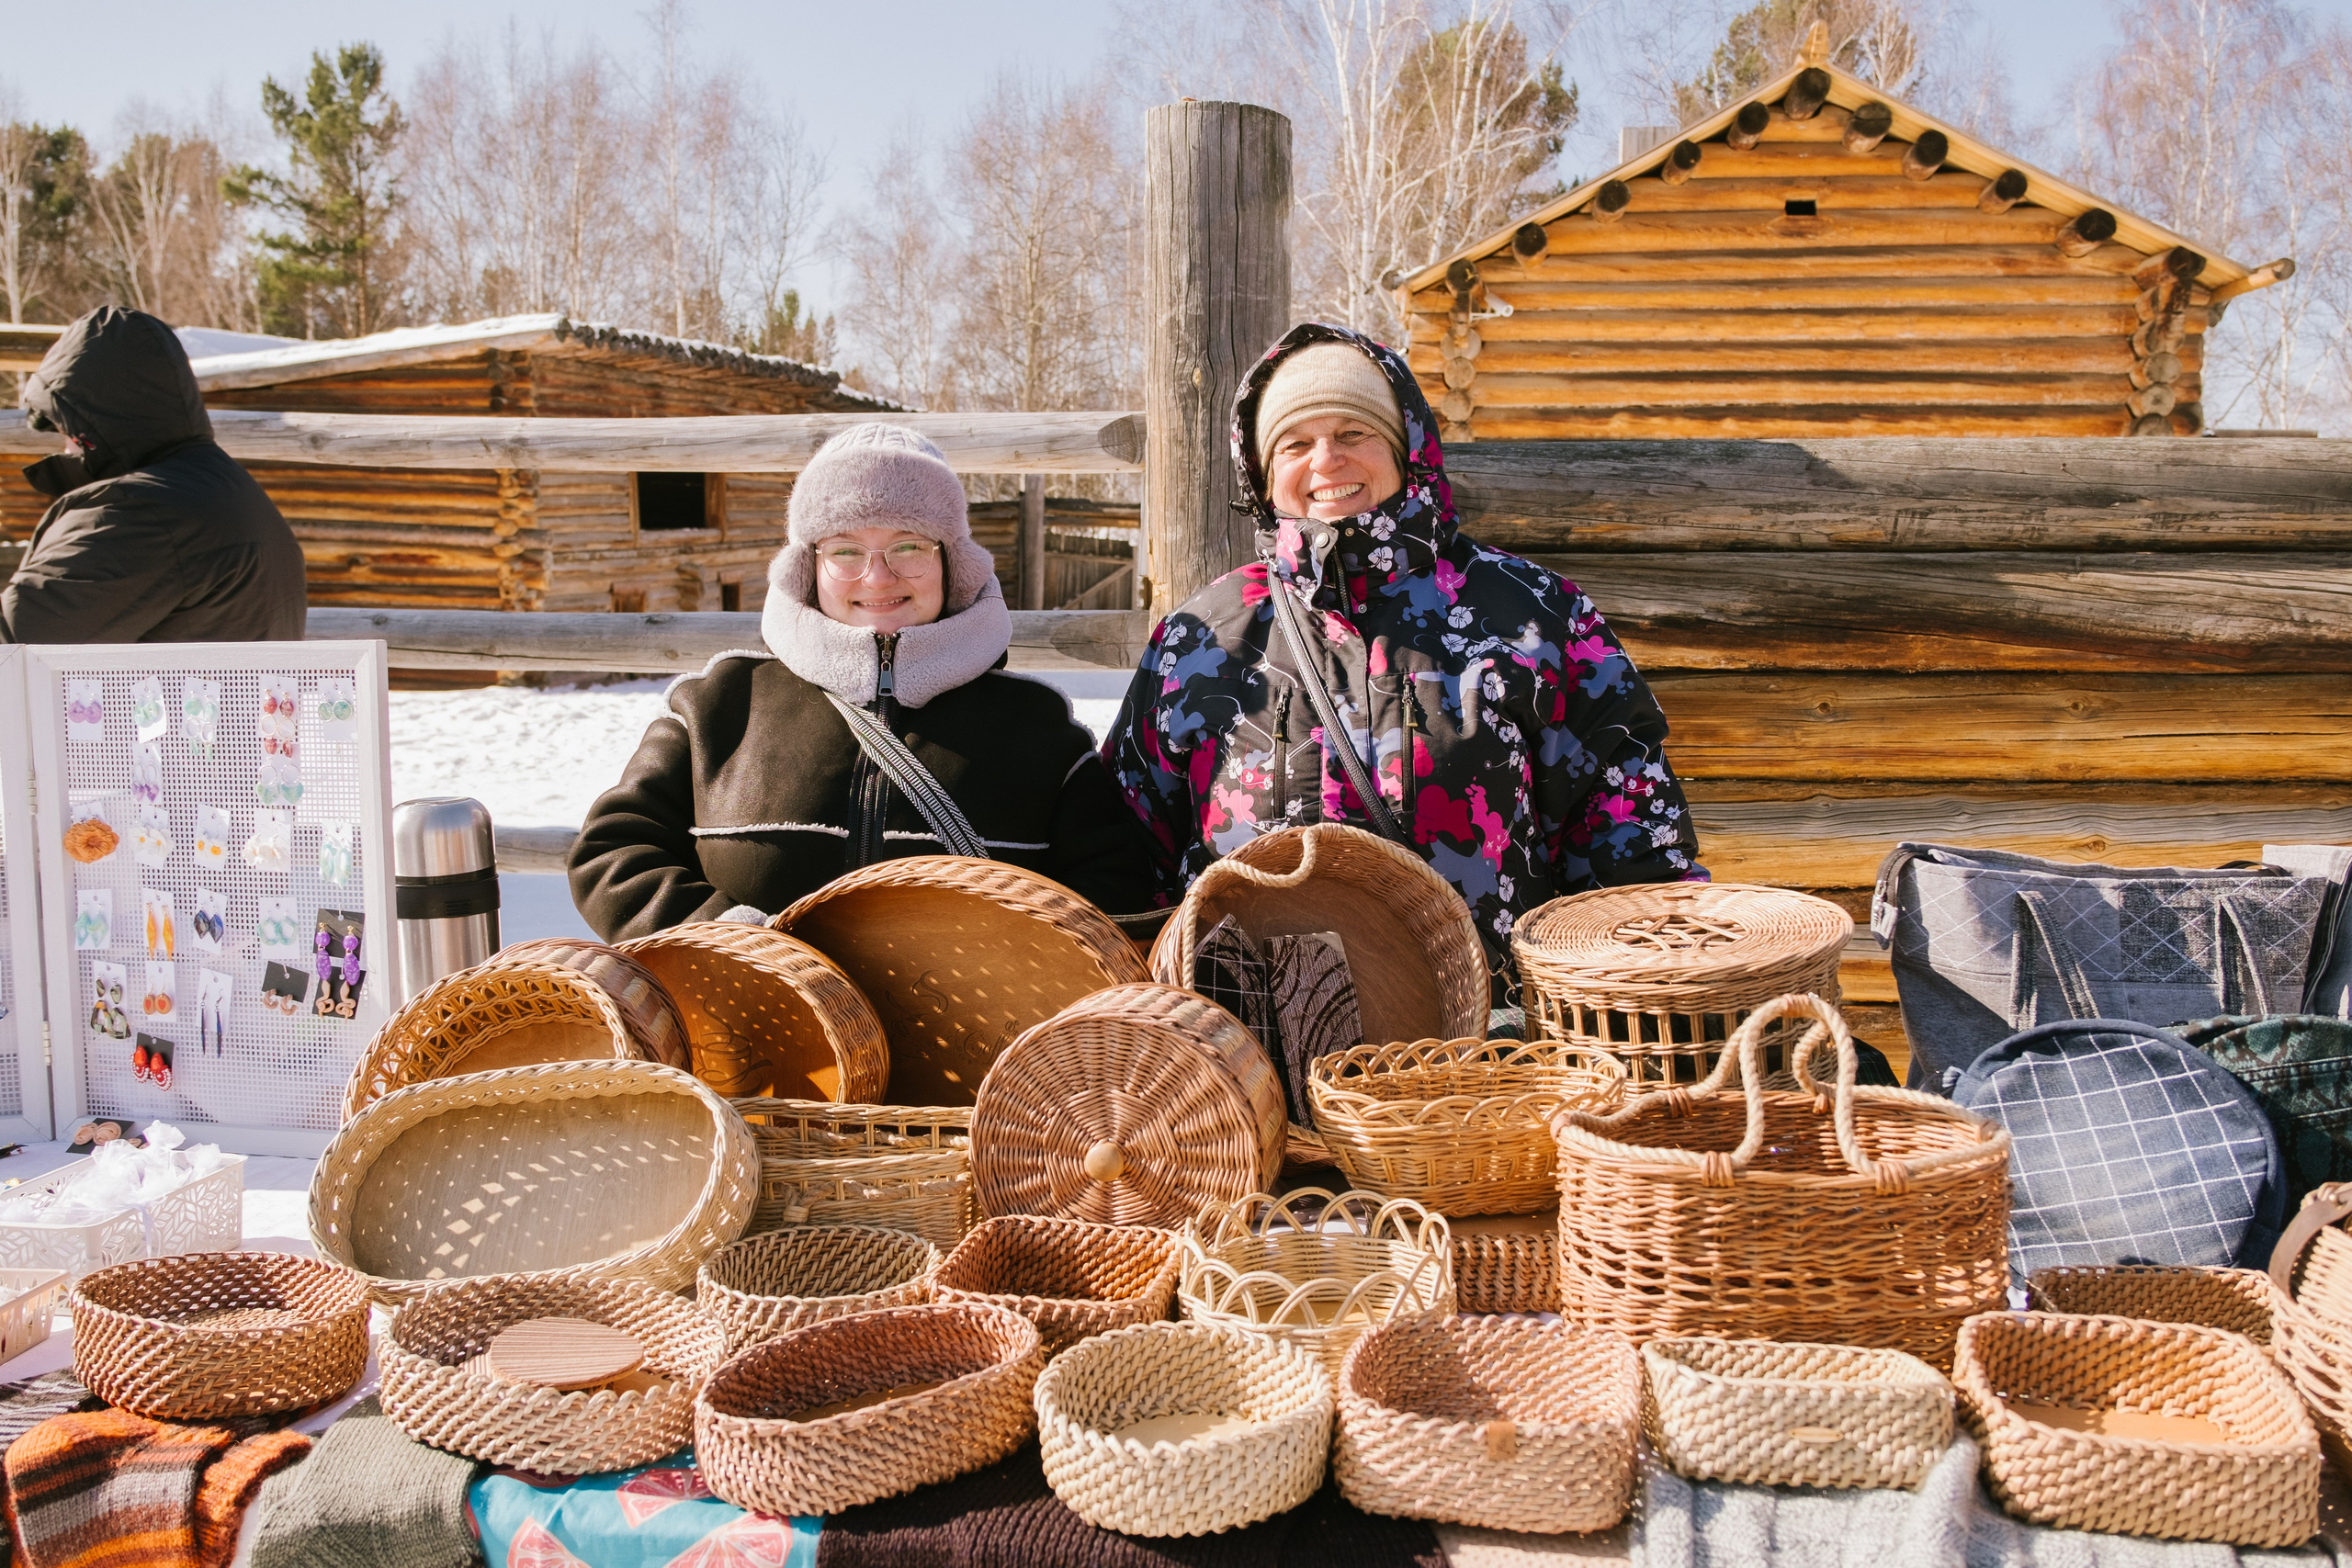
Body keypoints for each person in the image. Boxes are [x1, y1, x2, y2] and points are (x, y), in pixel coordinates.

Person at [1102, 322, 1703, 1006]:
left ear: (1405, 447)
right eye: (1295, 443)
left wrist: (1650, 1005)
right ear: (1266, 477)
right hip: (1244, 1063)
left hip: (1488, 1050)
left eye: (1354, 433)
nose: (1326, 459)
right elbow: (1122, 852)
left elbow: (1629, 832)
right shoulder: (1201, 638)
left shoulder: (1533, 614)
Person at [571, 423, 1159, 941]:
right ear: (809, 567)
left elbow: (1114, 888)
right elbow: (612, 851)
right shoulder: (716, 706)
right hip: (751, 1038)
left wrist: (1002, 965)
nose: (877, 577)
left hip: (976, 1053)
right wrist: (733, 945)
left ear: (952, 564)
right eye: (845, 550)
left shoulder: (1039, 730)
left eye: (909, 546)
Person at [10, 306, 305, 643]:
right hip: (223, 694)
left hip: (170, 697)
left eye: (64, 428)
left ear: (89, 427)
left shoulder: (133, 516)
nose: (64, 448)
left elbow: (14, 649)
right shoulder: (227, 488)